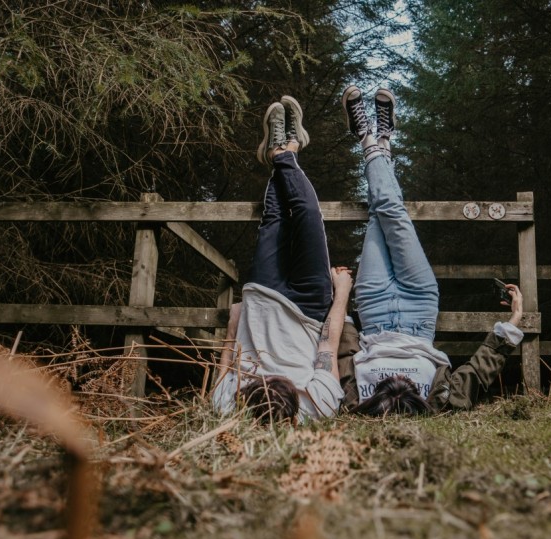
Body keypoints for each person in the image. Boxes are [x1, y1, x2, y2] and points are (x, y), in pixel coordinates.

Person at [337, 85, 526, 415]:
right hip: (419, 304)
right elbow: (475, 376)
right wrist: (513, 323)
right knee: (391, 213)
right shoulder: (437, 404)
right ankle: (371, 140)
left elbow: (342, 360)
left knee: (378, 214)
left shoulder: (357, 407)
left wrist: (341, 309)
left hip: (374, 306)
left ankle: (377, 141)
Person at [213, 96, 352, 423]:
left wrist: (234, 329)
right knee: (307, 217)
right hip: (309, 307)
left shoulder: (228, 407)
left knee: (274, 220)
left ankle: (282, 150)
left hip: (261, 299)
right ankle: (285, 153)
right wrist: (342, 291)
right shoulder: (317, 407)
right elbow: (327, 350)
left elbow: (225, 366)